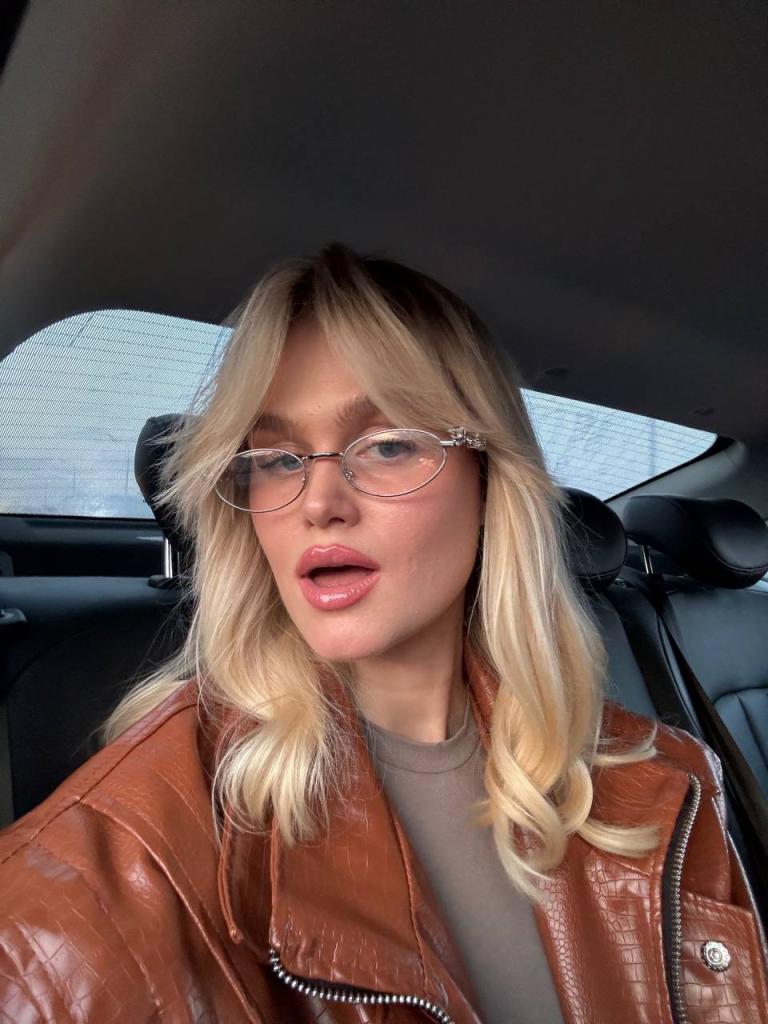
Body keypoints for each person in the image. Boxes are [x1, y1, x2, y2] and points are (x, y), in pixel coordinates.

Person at [0, 244, 766, 1024]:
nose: (318, 502)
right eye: (276, 458)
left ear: (489, 482)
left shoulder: (669, 784)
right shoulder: (129, 848)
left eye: (389, 445)